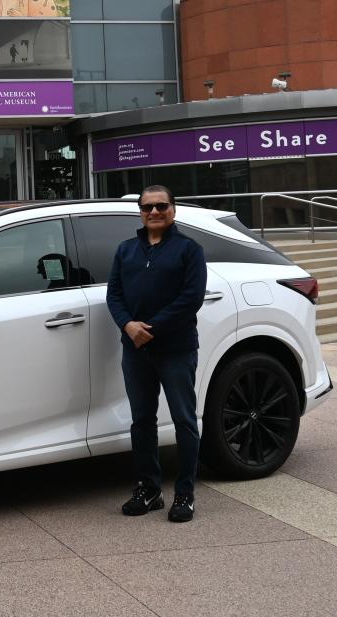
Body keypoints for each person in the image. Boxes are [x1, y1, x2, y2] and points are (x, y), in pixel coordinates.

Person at [106, 185, 207, 523]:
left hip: (175, 349)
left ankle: (185, 494)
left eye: (161, 206)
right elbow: (114, 294)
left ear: (173, 209)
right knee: (142, 421)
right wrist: (127, 326)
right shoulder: (125, 250)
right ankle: (149, 490)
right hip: (135, 351)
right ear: (140, 212)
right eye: (147, 207)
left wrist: (150, 328)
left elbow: (190, 298)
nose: (154, 212)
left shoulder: (189, 250)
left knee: (184, 421)